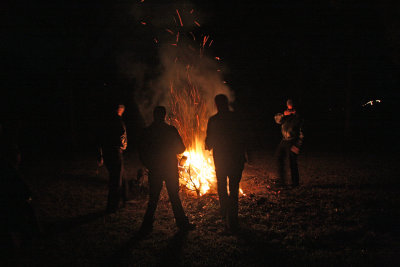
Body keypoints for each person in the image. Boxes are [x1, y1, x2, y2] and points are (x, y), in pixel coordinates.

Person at [138, 106, 195, 234]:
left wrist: (148, 164)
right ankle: (182, 223)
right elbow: (181, 148)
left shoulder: (148, 131)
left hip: (155, 169)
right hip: (169, 168)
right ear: (164, 116)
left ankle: (146, 225)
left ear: (154, 115)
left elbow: (142, 151)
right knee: (174, 196)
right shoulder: (170, 130)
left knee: (153, 198)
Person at [205, 94, 246, 233]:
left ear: (216, 104)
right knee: (233, 187)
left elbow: (208, 142)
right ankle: (233, 217)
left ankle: (224, 212)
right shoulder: (237, 117)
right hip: (236, 158)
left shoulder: (214, 120)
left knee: (222, 186)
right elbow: (244, 137)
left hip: (222, 158)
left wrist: (208, 144)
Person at [98, 104, 128, 213]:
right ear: (120, 109)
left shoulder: (106, 121)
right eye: (122, 108)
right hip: (115, 152)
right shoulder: (118, 121)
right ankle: (112, 206)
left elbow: (100, 137)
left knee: (122, 176)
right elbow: (122, 137)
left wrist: (100, 154)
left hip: (107, 152)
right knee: (116, 180)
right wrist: (123, 146)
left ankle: (125, 198)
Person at [274, 99, 304, 187]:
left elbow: (302, 133)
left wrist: (297, 145)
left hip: (293, 140)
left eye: (291, 107)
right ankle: (282, 181)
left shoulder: (298, 117)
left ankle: (295, 183)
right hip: (284, 140)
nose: (289, 108)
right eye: (288, 106)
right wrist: (284, 115)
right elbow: (277, 120)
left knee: (292, 162)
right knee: (279, 157)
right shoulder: (286, 116)